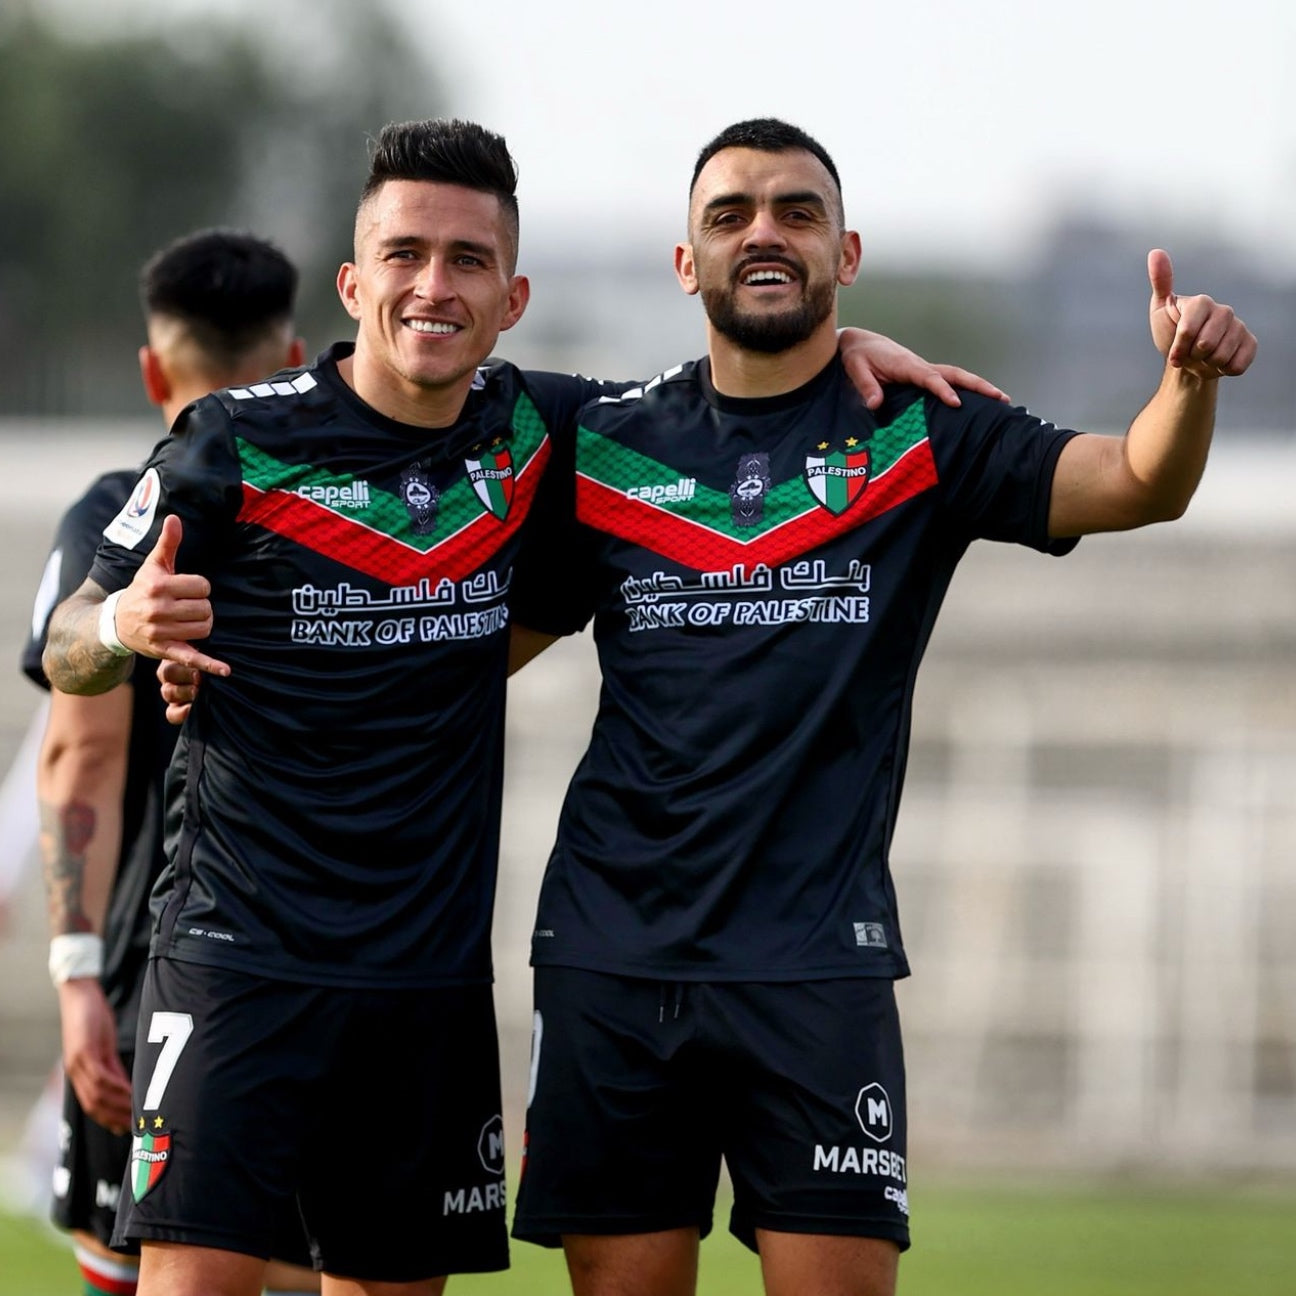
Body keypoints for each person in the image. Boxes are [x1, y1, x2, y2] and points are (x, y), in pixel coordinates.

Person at [40, 119, 985, 1296]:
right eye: (406, 254)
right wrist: (127, 628)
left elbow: (729, 395)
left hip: (426, 988)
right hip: (240, 963)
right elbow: (67, 645)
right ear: (355, 280)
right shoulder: (236, 440)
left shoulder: (543, 431)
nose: (434, 285)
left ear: (513, 295)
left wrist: (846, 344)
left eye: (468, 261)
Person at [504, 118, 1257, 1296]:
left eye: (797, 214)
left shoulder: (922, 432)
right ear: (683, 261)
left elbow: (1139, 481)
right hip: (613, 953)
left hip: (818, 965)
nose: (764, 232)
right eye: (730, 215)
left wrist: (1186, 382)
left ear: (844, 253)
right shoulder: (603, 441)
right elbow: (465, 647)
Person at [23, 229, 317, 1296]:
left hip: (161, 969)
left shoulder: (109, 516)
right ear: (294, 357)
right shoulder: (333, 509)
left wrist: (77, 977)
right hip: (339, 964)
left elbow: (77, 758)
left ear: (154, 370)